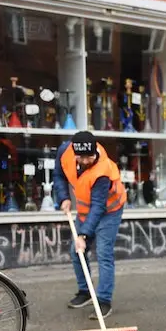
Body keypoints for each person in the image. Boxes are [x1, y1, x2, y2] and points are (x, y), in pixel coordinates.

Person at [53, 131, 126, 319]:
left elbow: (99, 206)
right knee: (76, 252)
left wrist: (83, 235)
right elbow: (59, 175)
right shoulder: (64, 152)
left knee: (103, 254)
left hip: (109, 211)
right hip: (86, 210)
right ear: (74, 152)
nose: (86, 161)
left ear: (95, 152)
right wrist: (64, 197)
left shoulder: (102, 171)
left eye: (90, 157)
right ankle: (85, 292)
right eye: (81, 157)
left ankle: (103, 300)